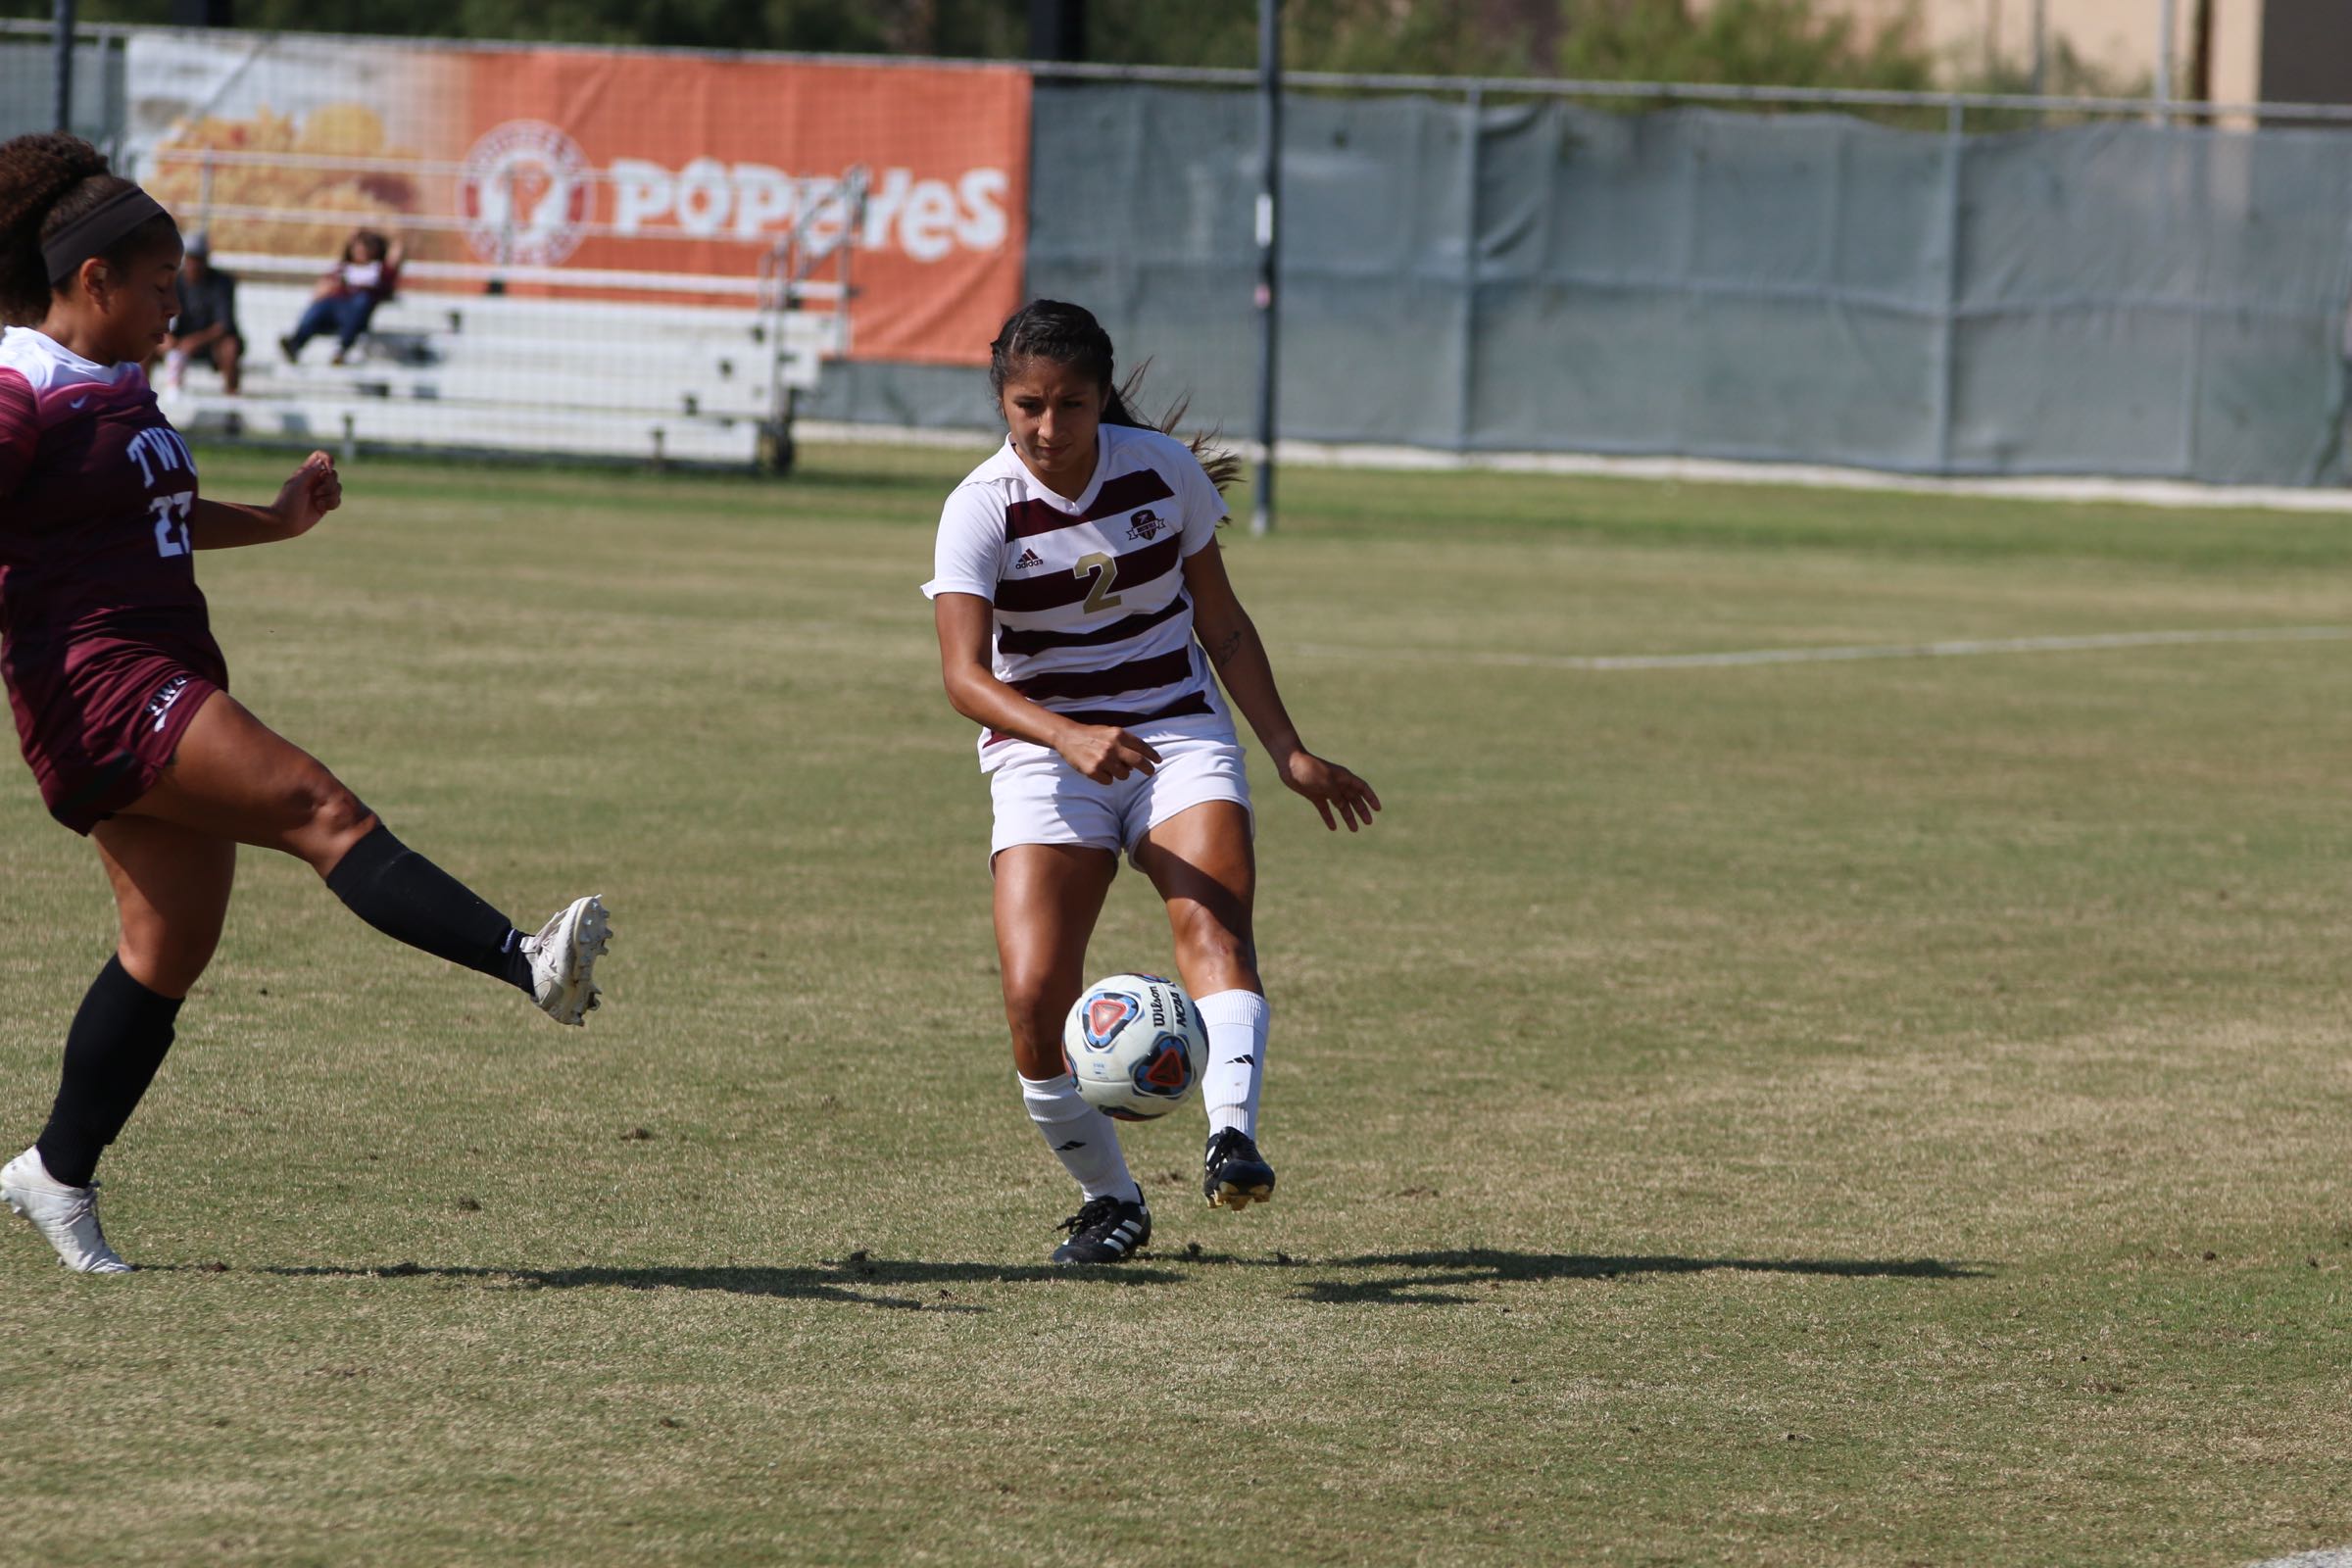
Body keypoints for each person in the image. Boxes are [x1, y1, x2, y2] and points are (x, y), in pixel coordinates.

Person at [0, 134, 610, 1275]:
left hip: (159, 674)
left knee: (164, 947)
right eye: (162, 286)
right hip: (103, 689)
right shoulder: (20, 386)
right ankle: (525, 958)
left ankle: (55, 1172)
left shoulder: (115, 380)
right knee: (319, 808)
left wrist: (276, 521)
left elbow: (149, 515)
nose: (177, 307)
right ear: (93, 284)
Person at [925, 299, 1380, 1265]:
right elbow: (965, 676)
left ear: (1103, 399)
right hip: (1044, 755)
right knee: (1033, 1001)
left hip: (1177, 731)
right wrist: (1067, 735)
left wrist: (1288, 749)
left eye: (1073, 405)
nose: (1049, 429)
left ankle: (1231, 1139)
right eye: (1028, 406)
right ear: (1002, 401)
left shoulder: (1162, 474)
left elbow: (1222, 625)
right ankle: (1112, 1201)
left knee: (1212, 927)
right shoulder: (981, 507)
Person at [278, 227, 402, 366]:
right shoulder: (342, 268)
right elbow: (321, 288)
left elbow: (396, 253)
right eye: (357, 248)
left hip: (355, 316)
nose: (360, 252)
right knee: (320, 305)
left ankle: (341, 349)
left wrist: (388, 232)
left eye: (364, 248)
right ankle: (296, 343)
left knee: (361, 300)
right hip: (332, 311)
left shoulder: (380, 270)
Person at [158, 233, 239, 394]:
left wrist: (195, 341)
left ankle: (232, 404)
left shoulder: (221, 283)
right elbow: (159, 314)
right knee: (147, 344)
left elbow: (223, 325)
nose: (194, 264)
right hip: (178, 340)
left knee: (230, 348)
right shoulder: (173, 281)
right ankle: (140, 400)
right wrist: (164, 335)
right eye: (190, 258)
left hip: (210, 342)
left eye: (199, 259)